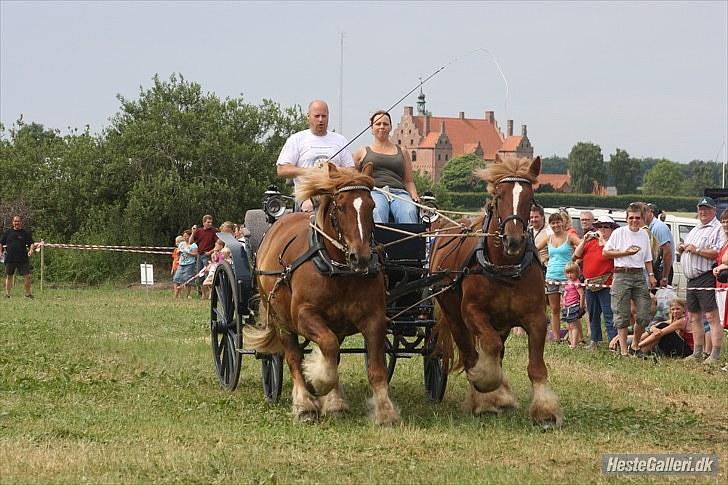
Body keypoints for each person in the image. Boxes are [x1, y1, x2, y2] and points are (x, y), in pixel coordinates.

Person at [276, 99, 354, 211]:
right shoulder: (296, 139)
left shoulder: (340, 140)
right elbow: (282, 170)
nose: (321, 120)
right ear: (308, 116)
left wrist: (332, 170)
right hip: (308, 194)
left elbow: (351, 170)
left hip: (336, 193)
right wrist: (308, 171)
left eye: (324, 116)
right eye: (317, 116)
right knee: (309, 206)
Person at [603, 203, 656, 356]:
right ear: (626, 219)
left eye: (637, 218)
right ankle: (624, 351)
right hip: (621, 274)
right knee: (622, 313)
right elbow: (606, 253)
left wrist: (651, 275)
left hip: (639, 275)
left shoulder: (644, 235)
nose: (634, 221)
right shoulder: (619, 233)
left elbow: (648, 258)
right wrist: (624, 253)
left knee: (645, 312)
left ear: (642, 219)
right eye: (631, 218)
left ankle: (635, 344)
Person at [678, 196, 724, 365]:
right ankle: (697, 352)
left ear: (714, 211)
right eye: (700, 209)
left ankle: (715, 354)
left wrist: (696, 250)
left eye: (706, 209)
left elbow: (718, 253)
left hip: (705, 276)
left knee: (712, 317)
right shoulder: (696, 228)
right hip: (692, 279)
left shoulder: (717, 228)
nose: (703, 212)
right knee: (694, 317)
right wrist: (682, 248)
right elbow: (689, 246)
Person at [352, 110, 418, 223]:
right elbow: (353, 177)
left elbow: (409, 181)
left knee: (409, 211)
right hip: (374, 191)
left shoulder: (402, 151)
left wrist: (414, 195)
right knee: (377, 210)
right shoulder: (361, 152)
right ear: (371, 128)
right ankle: (378, 240)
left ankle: (408, 240)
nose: (382, 127)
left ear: (391, 127)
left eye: (385, 124)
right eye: (378, 124)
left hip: (399, 193)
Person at [573, 215, 617, 350]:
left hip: (606, 283)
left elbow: (610, 253)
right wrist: (584, 240)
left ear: (611, 229)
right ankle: (595, 340)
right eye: (600, 227)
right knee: (592, 313)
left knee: (609, 314)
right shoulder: (590, 242)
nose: (602, 230)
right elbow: (576, 255)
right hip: (590, 283)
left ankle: (613, 342)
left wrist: (602, 239)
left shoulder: (613, 243)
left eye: (606, 227)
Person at [537, 212, 581, 342]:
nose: (556, 225)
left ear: (563, 223)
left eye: (558, 222)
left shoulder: (570, 236)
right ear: (550, 225)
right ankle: (556, 338)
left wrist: (575, 262)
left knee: (570, 308)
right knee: (554, 309)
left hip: (567, 278)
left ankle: (576, 338)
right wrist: (543, 259)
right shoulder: (548, 238)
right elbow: (535, 248)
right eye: (553, 223)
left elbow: (582, 246)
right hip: (551, 276)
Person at [0, 215, 37, 299]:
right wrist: (0, 252)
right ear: (13, 222)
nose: (17, 223)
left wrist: (31, 250)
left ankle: (28, 294)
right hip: (10, 258)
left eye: (18, 221)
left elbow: (31, 243)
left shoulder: (25, 233)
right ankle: (7, 294)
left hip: (22, 259)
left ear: (21, 222)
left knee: (27, 276)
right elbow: (1, 242)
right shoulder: (8, 232)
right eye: (15, 221)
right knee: (9, 276)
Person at [646, 203, 674, 286]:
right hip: (657, 269)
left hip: (661, 270)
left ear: (650, 212)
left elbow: (667, 252)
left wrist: (664, 277)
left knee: (660, 298)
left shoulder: (658, 227)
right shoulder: (651, 227)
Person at [191, 215, 218, 296]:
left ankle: (211, 293)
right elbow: (191, 241)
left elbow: (218, 244)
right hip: (200, 255)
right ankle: (203, 293)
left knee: (208, 275)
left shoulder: (214, 231)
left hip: (208, 255)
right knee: (200, 274)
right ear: (204, 222)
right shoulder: (199, 231)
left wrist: (210, 252)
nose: (210, 224)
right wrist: (193, 232)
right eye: (208, 222)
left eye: (211, 222)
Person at [561, 262, 585, 349]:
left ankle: (574, 344)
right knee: (569, 326)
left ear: (577, 273)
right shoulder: (568, 282)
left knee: (574, 326)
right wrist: (563, 302)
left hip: (574, 306)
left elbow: (581, 294)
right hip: (567, 306)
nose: (569, 275)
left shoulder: (577, 282)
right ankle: (571, 342)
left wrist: (581, 306)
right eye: (568, 273)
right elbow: (565, 293)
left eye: (572, 273)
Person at [713, 208, 728, 332]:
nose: (725, 224)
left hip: (726, 285)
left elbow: (725, 260)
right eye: (723, 221)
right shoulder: (724, 241)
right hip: (720, 284)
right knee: (721, 319)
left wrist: (723, 266)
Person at [173, 230, 198, 299]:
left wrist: (189, 253)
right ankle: (176, 296)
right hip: (181, 264)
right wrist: (178, 252)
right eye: (184, 236)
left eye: (186, 236)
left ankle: (186, 296)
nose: (185, 237)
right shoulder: (181, 244)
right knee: (176, 279)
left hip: (190, 264)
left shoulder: (194, 245)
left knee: (187, 281)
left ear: (190, 236)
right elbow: (178, 251)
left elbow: (196, 254)